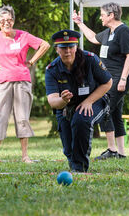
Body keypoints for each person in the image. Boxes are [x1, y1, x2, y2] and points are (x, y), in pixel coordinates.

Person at [0, 5, 50, 164]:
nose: (6, 23)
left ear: (13, 20)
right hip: (2, 81)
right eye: (2, 21)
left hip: (22, 80)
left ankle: (25, 156)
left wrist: (32, 60)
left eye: (9, 20)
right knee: (1, 117)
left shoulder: (23, 36)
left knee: (22, 118)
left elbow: (45, 45)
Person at [72, 2, 129, 160]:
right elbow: (93, 38)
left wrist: (123, 79)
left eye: (102, 14)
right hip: (108, 79)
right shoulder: (108, 32)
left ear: (111, 15)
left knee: (104, 109)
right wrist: (79, 23)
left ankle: (112, 150)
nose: (100, 17)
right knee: (115, 114)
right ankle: (120, 152)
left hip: (118, 79)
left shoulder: (123, 31)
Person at [45, 30, 112, 172]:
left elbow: (108, 83)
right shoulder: (52, 69)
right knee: (69, 148)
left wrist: (88, 101)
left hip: (95, 101)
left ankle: (80, 168)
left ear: (76, 47)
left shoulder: (90, 59)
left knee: (81, 118)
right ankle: (74, 162)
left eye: (71, 47)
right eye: (63, 48)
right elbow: (52, 101)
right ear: (57, 49)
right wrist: (63, 100)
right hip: (66, 106)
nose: (68, 51)